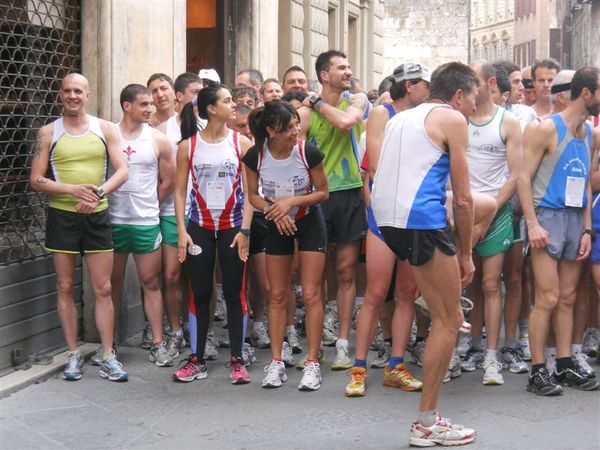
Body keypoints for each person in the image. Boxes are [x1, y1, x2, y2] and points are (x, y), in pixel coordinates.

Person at [370, 61, 478, 446]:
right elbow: (462, 199)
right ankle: (426, 422)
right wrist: (465, 254)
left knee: (443, 310)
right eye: (473, 100)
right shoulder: (453, 119)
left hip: (388, 223)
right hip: (421, 222)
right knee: (450, 321)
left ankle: (431, 296)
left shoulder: (402, 116)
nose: (473, 109)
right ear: (459, 95)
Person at [29, 73, 129, 381]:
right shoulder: (48, 132)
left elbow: (122, 171)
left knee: (104, 287)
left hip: (97, 214)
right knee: (64, 287)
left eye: (78, 91)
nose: (73, 96)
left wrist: (97, 193)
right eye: (67, 91)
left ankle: (108, 355)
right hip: (62, 216)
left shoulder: (106, 128)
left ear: (87, 94)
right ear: (60, 94)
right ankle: (73, 354)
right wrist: (73, 190)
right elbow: (36, 179)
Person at [345, 63, 431, 397]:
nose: (430, 88)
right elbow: (376, 164)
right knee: (377, 294)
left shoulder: (428, 114)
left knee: (408, 294)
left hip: (413, 212)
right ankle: (359, 368)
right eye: (425, 83)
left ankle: (396, 365)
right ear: (410, 85)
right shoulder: (383, 112)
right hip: (385, 213)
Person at [518, 65, 600, 395]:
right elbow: (523, 178)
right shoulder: (547, 129)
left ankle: (564, 364)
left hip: (573, 220)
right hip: (547, 216)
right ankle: (538, 370)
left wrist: (586, 229)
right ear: (586, 93)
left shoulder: (590, 134)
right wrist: (533, 223)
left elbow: (584, 188)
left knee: (568, 296)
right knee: (548, 297)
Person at [243, 100, 329, 390]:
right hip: (276, 222)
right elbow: (252, 195)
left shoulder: (308, 152)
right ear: (270, 131)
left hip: (308, 221)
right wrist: (274, 211)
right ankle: (277, 361)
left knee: (311, 292)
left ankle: (313, 362)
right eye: (288, 128)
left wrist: (291, 202)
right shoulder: (256, 156)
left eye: (296, 125)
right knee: (277, 293)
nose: (296, 131)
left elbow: (323, 192)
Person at [172, 84, 254, 384]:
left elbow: (250, 191)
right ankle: (196, 359)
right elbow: (179, 192)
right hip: (200, 227)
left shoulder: (241, 143)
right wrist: (182, 230)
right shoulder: (188, 146)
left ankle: (237, 359)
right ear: (211, 109)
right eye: (228, 101)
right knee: (201, 292)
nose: (234, 105)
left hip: (233, 226)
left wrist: (245, 229)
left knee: (234, 293)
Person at [298, 50, 369, 370]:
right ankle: (317, 339)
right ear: (324, 75)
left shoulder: (356, 101)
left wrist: (315, 102)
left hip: (351, 193)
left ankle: (342, 343)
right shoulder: (304, 114)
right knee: (317, 273)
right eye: (342, 67)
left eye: (349, 65)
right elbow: (295, 155)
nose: (348, 71)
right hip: (317, 197)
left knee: (345, 271)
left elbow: (345, 123)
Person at [462, 61, 523, 385]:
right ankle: (473, 345)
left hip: (497, 212)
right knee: (470, 283)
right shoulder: (458, 119)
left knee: (490, 283)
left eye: (473, 80)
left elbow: (516, 174)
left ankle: (491, 356)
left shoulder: (508, 121)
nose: (470, 86)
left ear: (489, 82)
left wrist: (490, 211)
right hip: (462, 211)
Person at [109, 84, 176, 367]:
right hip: (113, 220)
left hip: (146, 222)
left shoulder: (159, 139)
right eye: (144, 104)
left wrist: (151, 204)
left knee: (151, 281)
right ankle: (108, 345)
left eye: (151, 104)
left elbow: (169, 180)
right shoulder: (107, 135)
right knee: (111, 283)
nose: (150, 109)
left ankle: (158, 343)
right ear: (127, 106)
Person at [160, 72, 203, 359]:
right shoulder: (162, 130)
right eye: (195, 92)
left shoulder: (208, 127)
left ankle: (202, 331)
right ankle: (176, 331)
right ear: (179, 96)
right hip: (170, 213)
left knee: (200, 276)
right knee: (172, 273)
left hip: (202, 213)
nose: (200, 97)